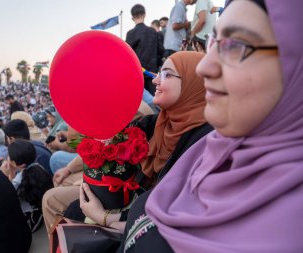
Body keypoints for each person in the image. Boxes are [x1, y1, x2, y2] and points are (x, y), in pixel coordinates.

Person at [118, 0, 303, 252]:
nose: (204, 67)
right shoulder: (209, 151)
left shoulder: (198, 138)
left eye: (235, 45)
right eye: (213, 43)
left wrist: (105, 218)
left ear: (294, 63)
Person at [65, 51, 213, 230]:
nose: (155, 81)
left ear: (193, 84)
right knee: (72, 209)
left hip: (149, 225)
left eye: (166, 74)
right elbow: (107, 139)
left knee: (70, 212)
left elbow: (172, 214)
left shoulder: (205, 143)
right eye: (158, 73)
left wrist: (105, 218)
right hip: (132, 201)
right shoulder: (160, 123)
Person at [1, 139, 53, 232]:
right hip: (40, 209)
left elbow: (8, 195)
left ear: (14, 163)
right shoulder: (38, 167)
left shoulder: (19, 179)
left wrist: (7, 174)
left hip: (30, 217)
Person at [126, 4, 164, 95]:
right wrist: (156, 65)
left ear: (132, 18)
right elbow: (161, 51)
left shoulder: (130, 34)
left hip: (136, 73)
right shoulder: (153, 31)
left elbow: (127, 55)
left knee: (140, 101)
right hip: (152, 72)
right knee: (154, 100)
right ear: (144, 15)